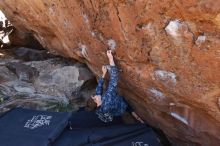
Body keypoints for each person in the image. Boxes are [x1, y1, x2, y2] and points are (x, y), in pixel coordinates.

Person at [87, 50, 144, 123]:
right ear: (97, 103)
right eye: (95, 98)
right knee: (124, 104)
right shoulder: (107, 99)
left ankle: (132, 114)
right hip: (120, 106)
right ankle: (134, 117)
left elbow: (99, 89)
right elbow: (114, 80)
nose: (95, 95)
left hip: (113, 108)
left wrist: (104, 74)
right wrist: (111, 59)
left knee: (114, 101)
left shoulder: (99, 103)